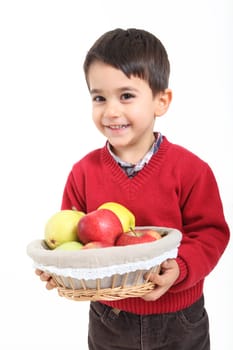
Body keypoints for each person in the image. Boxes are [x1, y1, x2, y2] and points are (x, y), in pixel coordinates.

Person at [36, 28, 230, 349]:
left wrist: (180, 268)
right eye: (99, 97)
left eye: (126, 96)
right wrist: (62, 267)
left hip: (179, 316)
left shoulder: (192, 170)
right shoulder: (82, 173)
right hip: (110, 317)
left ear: (161, 101)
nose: (111, 111)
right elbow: (73, 238)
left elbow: (211, 234)